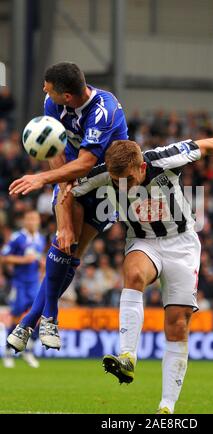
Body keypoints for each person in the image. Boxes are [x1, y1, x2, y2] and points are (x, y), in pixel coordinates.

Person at [70, 137, 213, 413]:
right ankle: (127, 356)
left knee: (177, 325)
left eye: (127, 178)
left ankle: (166, 406)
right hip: (143, 241)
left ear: (141, 167)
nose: (121, 185)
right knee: (134, 274)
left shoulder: (166, 158)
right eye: (116, 181)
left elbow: (210, 144)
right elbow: (67, 189)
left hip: (182, 245)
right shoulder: (105, 174)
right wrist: (59, 220)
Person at [7, 62, 128, 352]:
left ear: (68, 96)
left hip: (104, 185)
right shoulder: (52, 103)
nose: (44, 92)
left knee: (75, 253)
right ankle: (50, 317)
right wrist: (62, 190)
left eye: (48, 88)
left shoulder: (104, 110)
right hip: (70, 180)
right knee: (64, 241)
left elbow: (87, 162)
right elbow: (54, 149)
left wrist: (41, 179)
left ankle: (28, 322)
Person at [0, 210, 45, 368]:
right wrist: (23, 260)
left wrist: (42, 269)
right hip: (19, 284)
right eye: (30, 219)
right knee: (15, 316)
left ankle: (28, 351)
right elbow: (4, 257)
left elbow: (40, 259)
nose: (33, 222)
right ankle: (8, 351)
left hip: (34, 284)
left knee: (37, 316)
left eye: (35, 219)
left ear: (39, 221)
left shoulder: (40, 238)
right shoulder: (17, 238)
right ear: (25, 221)